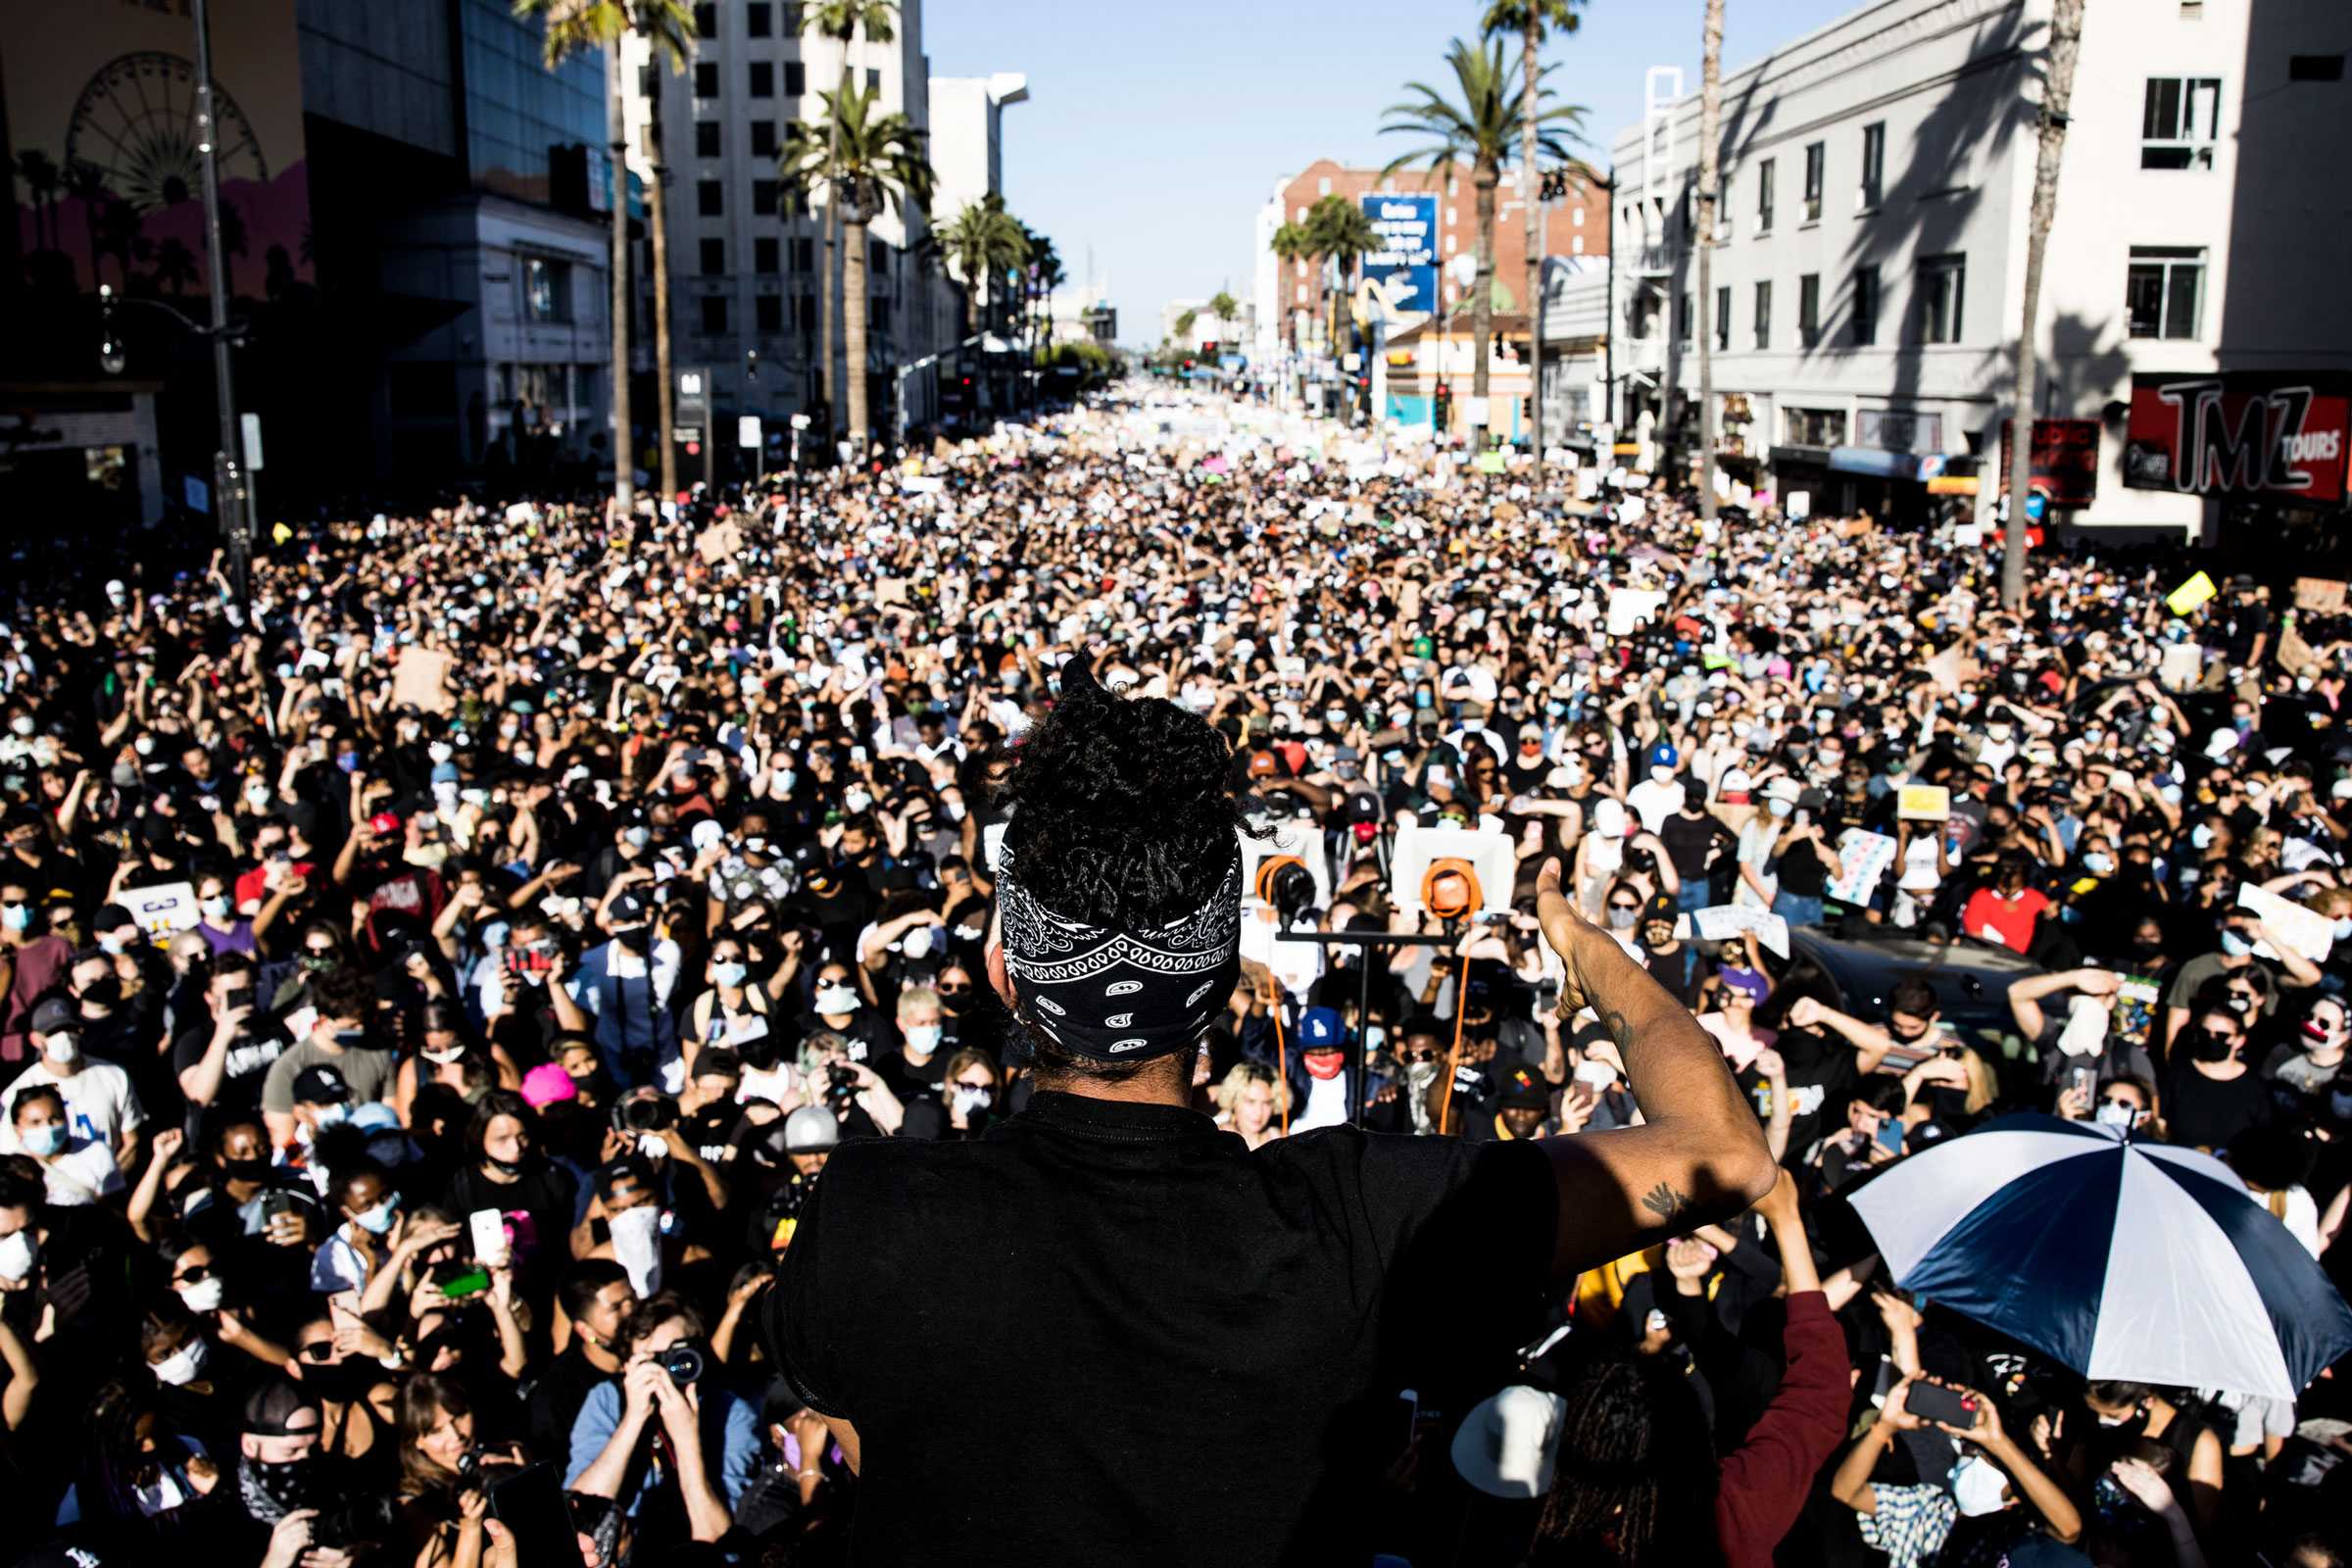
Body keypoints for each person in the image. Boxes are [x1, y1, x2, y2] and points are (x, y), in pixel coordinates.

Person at [763, 659, 1774, 1563]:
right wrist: (1578, 938)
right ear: (1217, 988)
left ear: (1005, 976)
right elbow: (1727, 1150)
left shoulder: (870, 1209)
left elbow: (852, 1425)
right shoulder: (1356, 1218)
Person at [565, 1291, 760, 1547]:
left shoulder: (731, 1412)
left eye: (676, 1358)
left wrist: (686, 1438)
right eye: (653, 1361)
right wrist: (633, 1419)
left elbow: (720, 1541)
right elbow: (578, 1515)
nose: (665, 1373)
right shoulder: (607, 1399)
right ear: (627, 1366)